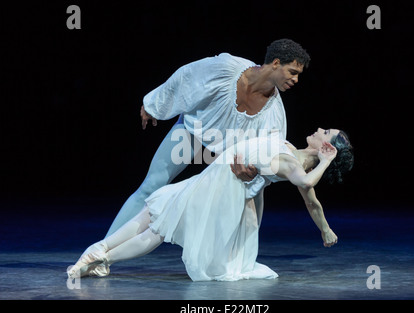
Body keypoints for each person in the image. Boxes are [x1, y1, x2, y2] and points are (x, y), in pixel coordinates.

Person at [67, 128, 354, 281]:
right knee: (158, 212)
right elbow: (310, 197)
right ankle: (100, 255)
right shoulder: (291, 151)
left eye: (325, 132)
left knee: (160, 223)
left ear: (326, 148)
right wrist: (325, 231)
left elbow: (307, 189)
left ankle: (100, 256)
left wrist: (325, 227)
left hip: (221, 186)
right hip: (217, 177)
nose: (319, 128)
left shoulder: (294, 163)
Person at [105, 39, 311, 239]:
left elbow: (271, 150)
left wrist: (253, 170)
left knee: (240, 203)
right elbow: (188, 76)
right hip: (195, 128)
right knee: (151, 185)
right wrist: (154, 105)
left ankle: (233, 258)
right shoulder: (229, 68)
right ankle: (99, 250)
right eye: (292, 72)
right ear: (275, 63)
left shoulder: (274, 113)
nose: (296, 80)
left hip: (227, 153)